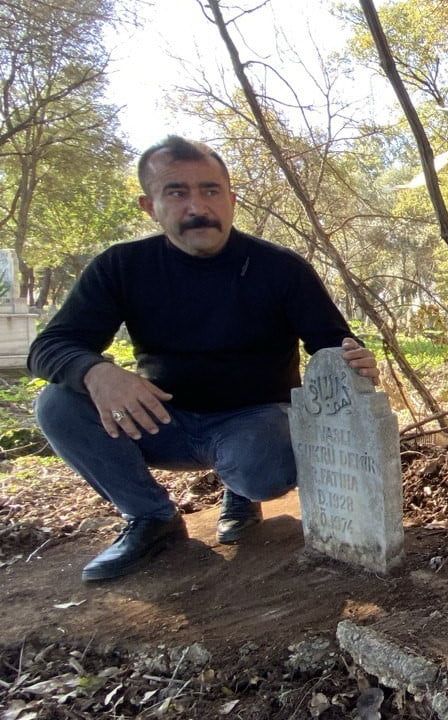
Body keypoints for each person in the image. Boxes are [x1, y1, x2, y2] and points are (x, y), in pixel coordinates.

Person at [28, 135, 378, 583]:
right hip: (159, 419)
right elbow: (49, 348)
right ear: (149, 206)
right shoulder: (121, 267)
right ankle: (150, 516)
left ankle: (240, 492)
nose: (197, 206)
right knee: (57, 404)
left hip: (253, 426)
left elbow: (333, 346)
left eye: (210, 190)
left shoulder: (281, 269)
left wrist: (355, 362)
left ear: (231, 200)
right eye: (176, 192)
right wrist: (96, 372)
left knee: (263, 461)